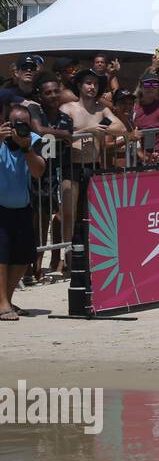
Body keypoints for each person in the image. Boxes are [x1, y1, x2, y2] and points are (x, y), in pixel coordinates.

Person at [60, 70, 126, 218]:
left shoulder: (101, 110)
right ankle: (67, 241)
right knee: (69, 214)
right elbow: (62, 137)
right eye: (88, 83)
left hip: (93, 166)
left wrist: (102, 127)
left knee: (92, 213)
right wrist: (88, 130)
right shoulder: (67, 108)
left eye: (95, 84)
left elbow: (121, 128)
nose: (92, 87)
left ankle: (89, 241)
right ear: (79, 85)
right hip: (71, 167)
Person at [0, 102, 45, 320]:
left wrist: (26, 147)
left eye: (24, 124)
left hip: (22, 207)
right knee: (1, 256)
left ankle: (5, 300)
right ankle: (3, 304)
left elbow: (38, 172)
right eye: (15, 123)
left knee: (22, 257)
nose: (20, 128)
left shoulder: (33, 141)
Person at [28, 74, 74, 280]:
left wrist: (60, 133)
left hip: (55, 174)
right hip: (33, 175)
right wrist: (62, 134)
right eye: (48, 92)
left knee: (52, 219)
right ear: (40, 95)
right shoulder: (34, 110)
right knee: (36, 224)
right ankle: (33, 267)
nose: (54, 95)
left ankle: (46, 264)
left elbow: (65, 133)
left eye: (56, 91)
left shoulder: (66, 118)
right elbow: (38, 130)